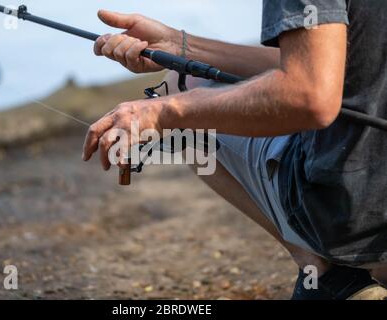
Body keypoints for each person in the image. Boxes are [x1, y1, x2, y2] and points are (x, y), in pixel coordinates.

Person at [82, 0, 387, 299]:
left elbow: (309, 97)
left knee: (179, 88)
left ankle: (325, 274)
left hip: (357, 217)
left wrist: (164, 111)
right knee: (183, 75)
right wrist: (180, 45)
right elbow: (323, 63)